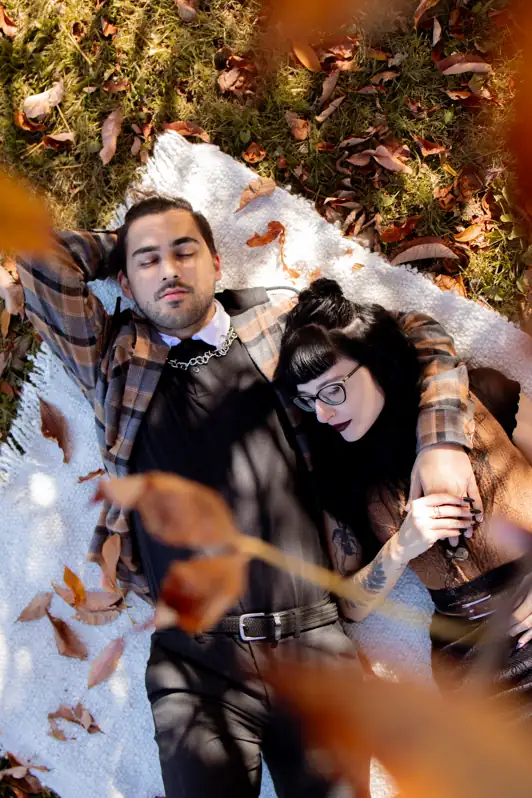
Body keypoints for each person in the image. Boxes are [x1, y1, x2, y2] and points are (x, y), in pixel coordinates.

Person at [17, 196, 479, 797]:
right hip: (196, 663)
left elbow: (416, 336)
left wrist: (440, 443)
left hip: (315, 645)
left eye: (185, 251)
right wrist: (126, 246)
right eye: (148, 262)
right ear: (124, 282)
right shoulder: (113, 362)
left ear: (215, 260)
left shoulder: (278, 327)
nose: (170, 270)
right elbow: (38, 257)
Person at [275, 277, 532, 711]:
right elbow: (350, 608)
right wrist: (401, 546)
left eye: (332, 390)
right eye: (308, 400)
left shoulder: (478, 394)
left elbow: (413, 328)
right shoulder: (342, 478)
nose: (321, 413)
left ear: (373, 361)